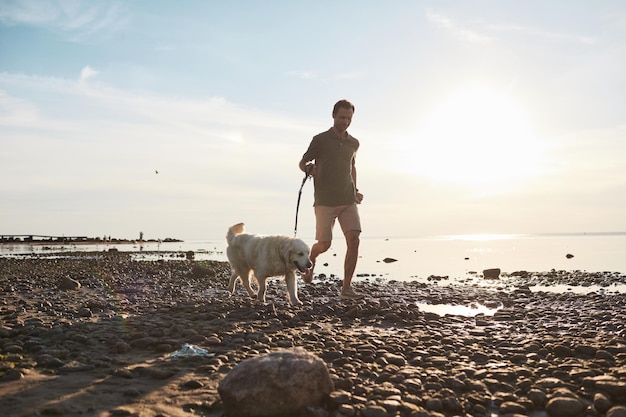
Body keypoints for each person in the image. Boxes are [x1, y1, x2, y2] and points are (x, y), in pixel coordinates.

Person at [299, 99, 365, 300]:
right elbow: (303, 162)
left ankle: (346, 288)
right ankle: (312, 256)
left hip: (347, 198)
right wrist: (309, 168)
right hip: (324, 200)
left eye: (349, 118)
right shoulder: (320, 140)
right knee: (325, 244)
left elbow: (351, 167)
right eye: (342, 117)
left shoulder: (354, 143)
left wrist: (355, 190)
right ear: (334, 115)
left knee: (354, 239)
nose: (345, 121)